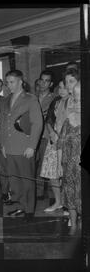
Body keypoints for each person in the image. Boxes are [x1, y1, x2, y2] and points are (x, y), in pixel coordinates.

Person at [0, 70, 43, 222]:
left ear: (20, 82)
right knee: (14, 180)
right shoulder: (6, 100)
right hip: (10, 147)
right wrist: (3, 144)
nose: (8, 85)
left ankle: (29, 210)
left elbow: (37, 123)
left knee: (27, 180)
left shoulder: (30, 99)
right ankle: (20, 206)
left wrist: (32, 146)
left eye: (11, 82)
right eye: (7, 82)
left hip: (25, 147)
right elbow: (4, 124)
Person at [40, 81, 69, 212]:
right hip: (54, 140)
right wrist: (51, 132)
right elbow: (49, 119)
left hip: (67, 141)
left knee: (67, 175)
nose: (62, 90)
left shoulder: (75, 101)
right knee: (53, 174)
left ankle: (69, 204)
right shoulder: (56, 101)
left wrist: (61, 136)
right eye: (60, 88)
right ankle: (58, 202)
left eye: (65, 88)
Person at [57, 81, 81, 235]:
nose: (77, 103)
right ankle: (73, 225)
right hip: (68, 166)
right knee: (70, 195)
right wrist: (59, 165)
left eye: (80, 99)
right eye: (75, 98)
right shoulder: (68, 121)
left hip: (82, 167)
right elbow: (60, 143)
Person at [35, 70, 55, 200]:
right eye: (42, 80)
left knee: (43, 165)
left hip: (45, 136)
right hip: (31, 136)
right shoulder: (31, 96)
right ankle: (33, 190)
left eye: (47, 81)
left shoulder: (54, 98)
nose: (43, 83)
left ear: (51, 83)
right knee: (31, 164)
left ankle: (40, 192)